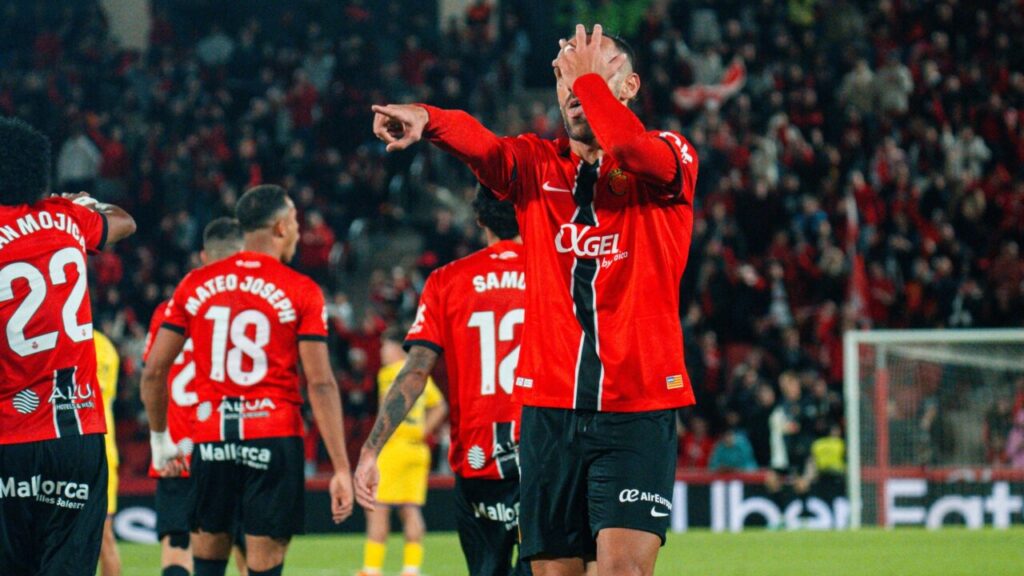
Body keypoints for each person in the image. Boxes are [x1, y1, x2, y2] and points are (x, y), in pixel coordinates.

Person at [372, 24, 699, 576]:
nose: (573, 84)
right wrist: (428, 119)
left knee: (624, 570)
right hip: (549, 411)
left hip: (637, 406)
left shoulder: (671, 156)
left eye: (594, 70)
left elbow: (629, 148)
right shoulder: (535, 165)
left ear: (631, 85)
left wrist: (587, 80)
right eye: (563, 73)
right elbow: (483, 147)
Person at [142, 185, 354, 576]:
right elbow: (320, 383)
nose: (296, 231)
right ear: (278, 228)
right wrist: (341, 467)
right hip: (273, 437)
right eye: (293, 223)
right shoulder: (301, 289)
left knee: (206, 564)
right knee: (262, 568)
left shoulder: (196, 285)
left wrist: (160, 441)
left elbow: (154, 370)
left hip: (212, 440)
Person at [355, 186, 531, 576]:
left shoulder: (446, 281)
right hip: (542, 457)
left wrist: (370, 450)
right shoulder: (557, 273)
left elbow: (415, 371)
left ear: (480, 219)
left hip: (478, 460)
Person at [0, 116, 136, 575]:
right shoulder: (63, 219)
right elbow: (124, 222)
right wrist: (79, 203)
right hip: (75, 436)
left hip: (9, 437)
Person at [142, 217, 248, 576]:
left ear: (204, 257)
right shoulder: (249, 308)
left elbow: (153, 374)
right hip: (229, 443)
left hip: (175, 448)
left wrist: (163, 440)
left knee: (177, 550)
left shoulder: (169, 310)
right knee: (245, 547)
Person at [358, 327, 447, 576]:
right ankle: (411, 569)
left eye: (385, 346)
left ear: (398, 348)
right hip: (416, 451)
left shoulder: (388, 374)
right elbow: (440, 406)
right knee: (411, 510)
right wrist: (422, 433)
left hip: (392, 449)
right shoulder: (421, 376)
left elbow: (385, 412)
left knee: (378, 508)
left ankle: (372, 569)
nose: (382, 352)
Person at [96, 330, 122, 576]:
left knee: (104, 536)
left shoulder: (97, 346)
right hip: (103, 448)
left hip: (98, 450)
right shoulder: (106, 346)